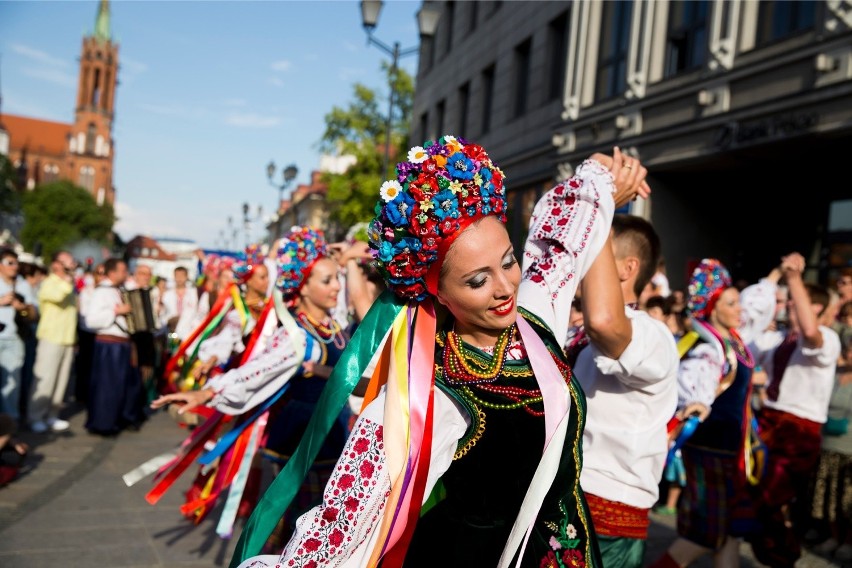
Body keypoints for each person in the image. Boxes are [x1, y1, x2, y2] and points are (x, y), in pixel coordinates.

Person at [226, 136, 649, 568]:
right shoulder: (428, 394)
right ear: (438, 292)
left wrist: (598, 178)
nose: (505, 288)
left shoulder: (534, 321)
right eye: (477, 281)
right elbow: (344, 525)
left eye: (507, 261)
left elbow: (559, 251)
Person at [142, 228, 369, 542]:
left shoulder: (333, 324)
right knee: (297, 530)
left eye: (336, 279)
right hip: (301, 438)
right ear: (302, 288)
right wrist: (207, 391)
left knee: (326, 528)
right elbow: (255, 372)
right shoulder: (296, 336)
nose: (335, 287)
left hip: (332, 433)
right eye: (327, 280)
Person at [649, 258, 778, 568]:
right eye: (732, 302)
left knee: (732, 533)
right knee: (705, 535)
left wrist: (775, 276)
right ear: (714, 306)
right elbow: (695, 394)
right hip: (711, 451)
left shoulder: (734, 340)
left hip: (732, 451)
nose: (740, 308)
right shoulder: (709, 349)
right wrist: (695, 404)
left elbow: (758, 308)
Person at [568, 214, 679, 567]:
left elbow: (604, 321)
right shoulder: (579, 334)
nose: (583, 261)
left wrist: (600, 213)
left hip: (609, 509)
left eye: (595, 251)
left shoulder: (652, 334)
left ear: (627, 268)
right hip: (570, 493)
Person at [746, 253, 842, 567]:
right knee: (750, 497)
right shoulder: (776, 338)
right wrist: (773, 280)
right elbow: (744, 342)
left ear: (814, 308)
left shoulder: (827, 339)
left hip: (798, 429)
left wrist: (795, 279)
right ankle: (770, 551)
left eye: (794, 302)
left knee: (768, 499)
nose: (787, 305)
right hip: (767, 421)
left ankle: (783, 555)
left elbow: (811, 333)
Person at [83, 258, 147, 436]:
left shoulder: (118, 290)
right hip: (109, 345)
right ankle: (103, 424)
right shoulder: (101, 292)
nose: (126, 274)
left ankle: (117, 419)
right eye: (123, 271)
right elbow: (91, 320)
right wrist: (116, 312)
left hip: (122, 344)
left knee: (121, 385)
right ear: (112, 273)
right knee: (107, 386)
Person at [28, 250, 78, 433]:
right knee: (45, 379)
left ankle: (52, 415)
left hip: (66, 338)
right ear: (56, 264)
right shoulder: (49, 283)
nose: (71, 264)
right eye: (67, 261)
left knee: (61, 381)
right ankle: (35, 416)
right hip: (51, 337)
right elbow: (58, 297)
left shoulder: (68, 283)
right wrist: (68, 279)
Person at [0, 248, 37, 423]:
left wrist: (22, 309)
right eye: (10, 263)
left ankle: (9, 426)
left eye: (16, 263)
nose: (14, 267)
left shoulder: (22, 285)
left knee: (12, 385)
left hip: (14, 339)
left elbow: (33, 314)